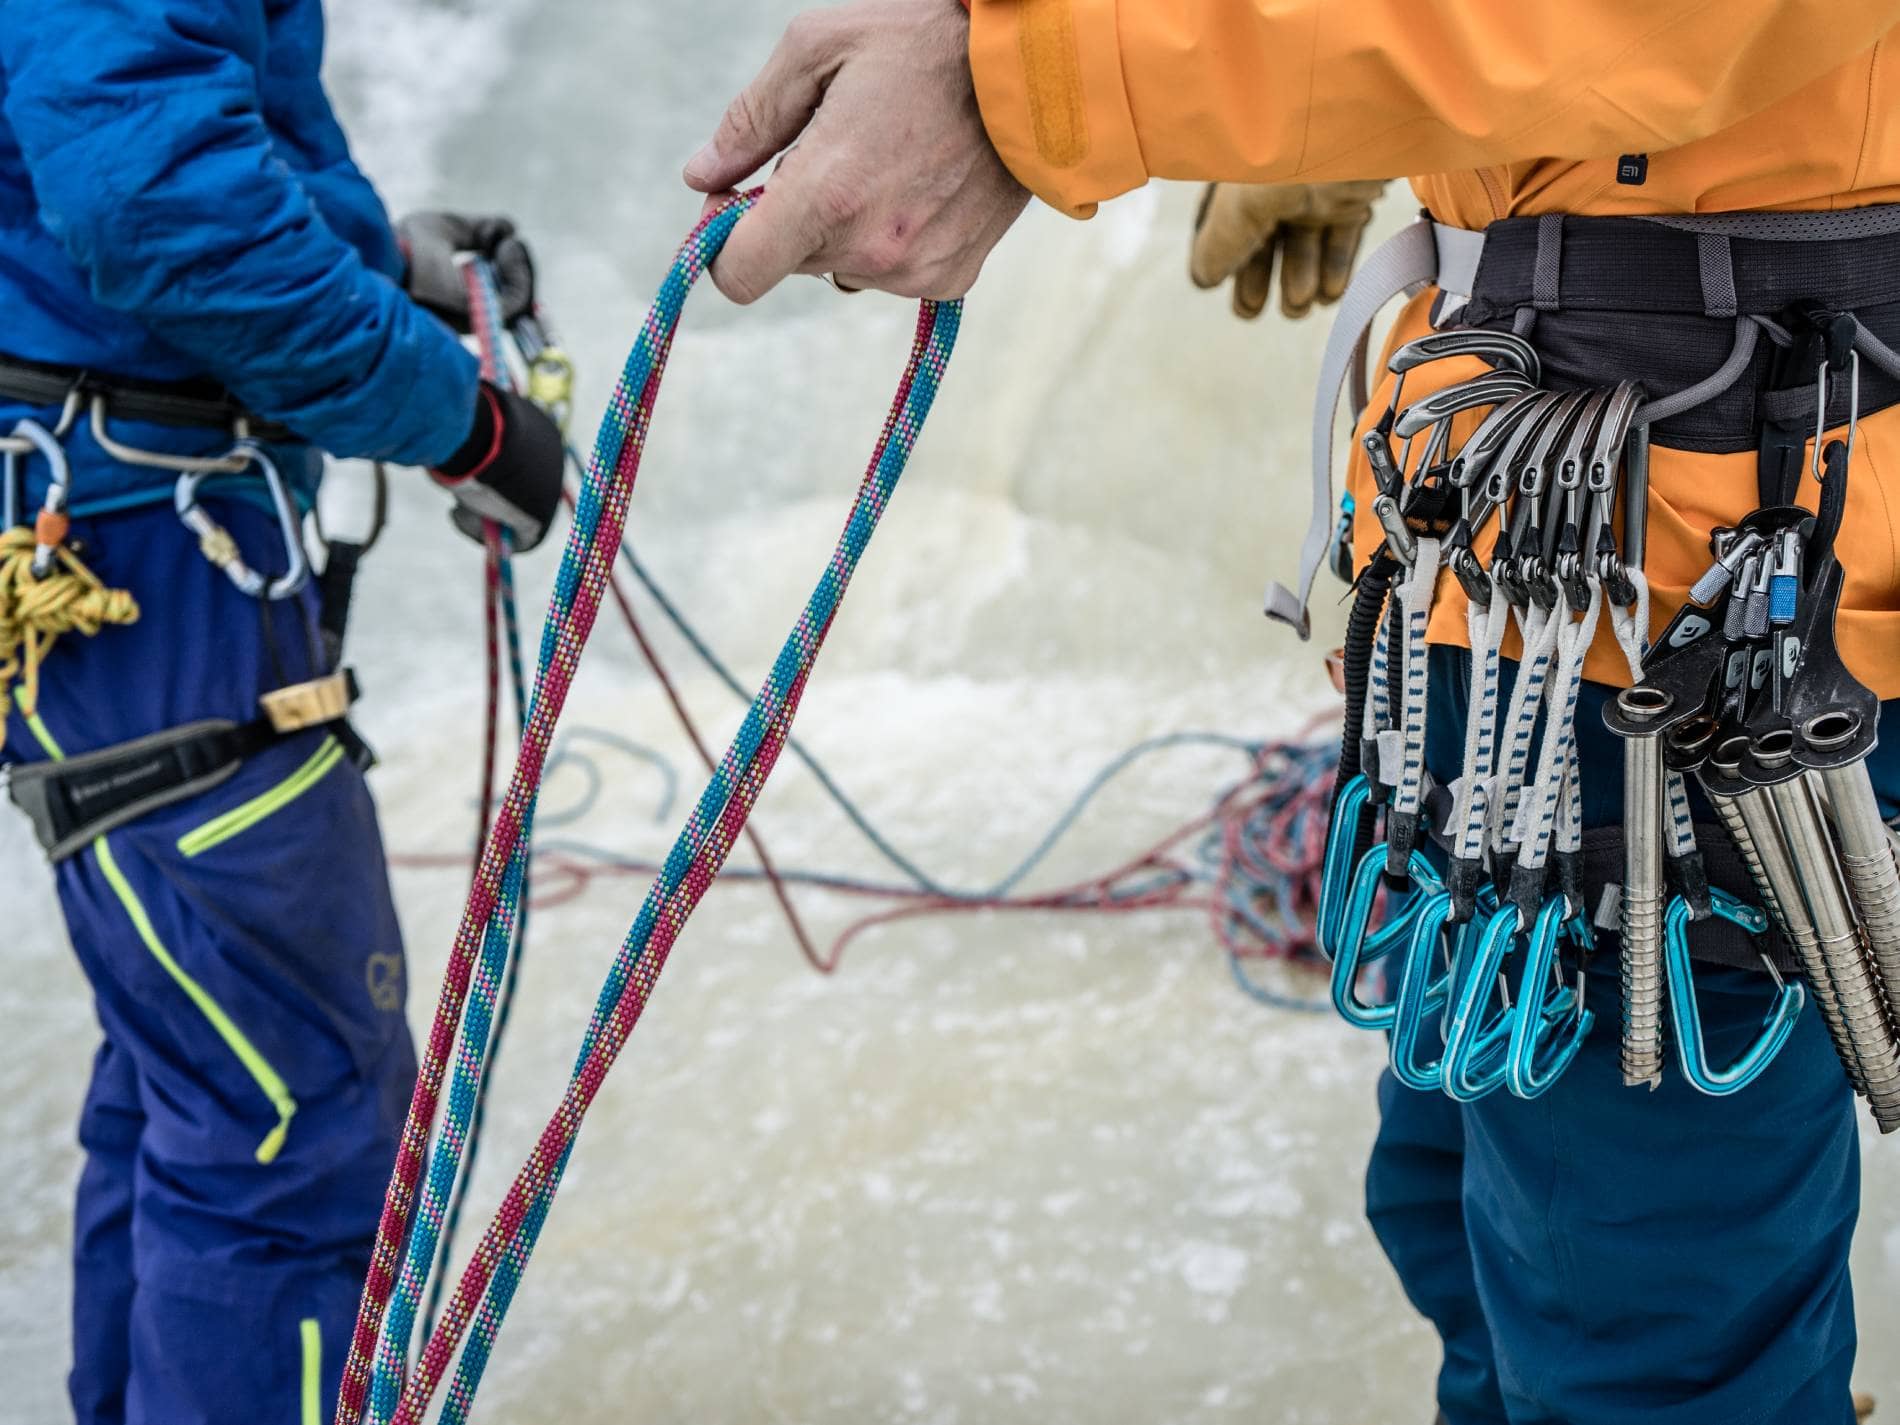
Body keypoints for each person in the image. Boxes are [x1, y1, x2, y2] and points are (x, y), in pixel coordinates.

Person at [684, 2, 1900, 1422]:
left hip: (1707, 596)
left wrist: (1043, 73)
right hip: (1541, 573)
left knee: (1647, 1330)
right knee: (1464, 1210)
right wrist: (1370, 127)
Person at [0, 3, 563, 1421]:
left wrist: (377, 262)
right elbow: (160, 204)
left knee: (200, 1077)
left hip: (112, 522)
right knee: (291, 1121)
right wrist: (469, 422)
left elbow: (139, 132)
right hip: (139, 548)